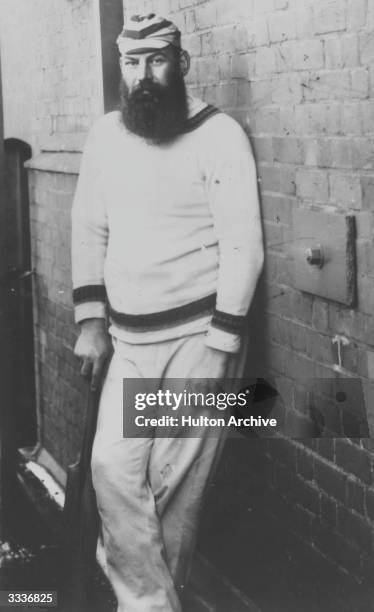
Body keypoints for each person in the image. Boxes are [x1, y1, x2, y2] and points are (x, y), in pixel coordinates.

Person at [71, 13, 264, 612]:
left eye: (157, 61)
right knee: (112, 468)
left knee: (172, 489)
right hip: (130, 342)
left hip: (199, 341)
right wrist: (91, 323)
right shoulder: (107, 136)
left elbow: (244, 247)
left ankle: (147, 604)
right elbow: (89, 225)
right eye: (132, 63)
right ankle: (148, 596)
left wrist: (220, 345)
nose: (143, 76)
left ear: (180, 64)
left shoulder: (218, 134)